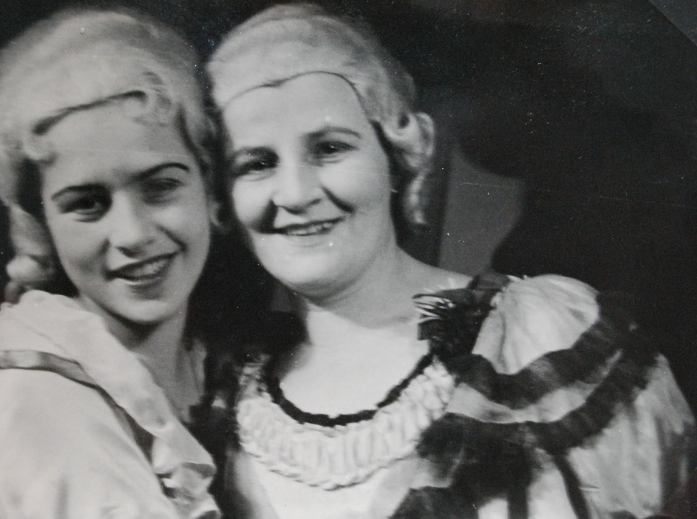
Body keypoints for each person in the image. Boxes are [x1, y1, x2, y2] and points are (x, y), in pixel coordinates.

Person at [206, 4, 696, 518]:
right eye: (256, 164)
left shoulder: (541, 335)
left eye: (329, 148)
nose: (296, 192)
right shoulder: (222, 400)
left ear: (397, 156)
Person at [0, 8, 223, 518]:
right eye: (87, 204)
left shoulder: (206, 357)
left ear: (208, 185)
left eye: (161, 186)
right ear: (42, 224)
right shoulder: (39, 398)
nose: (133, 234)